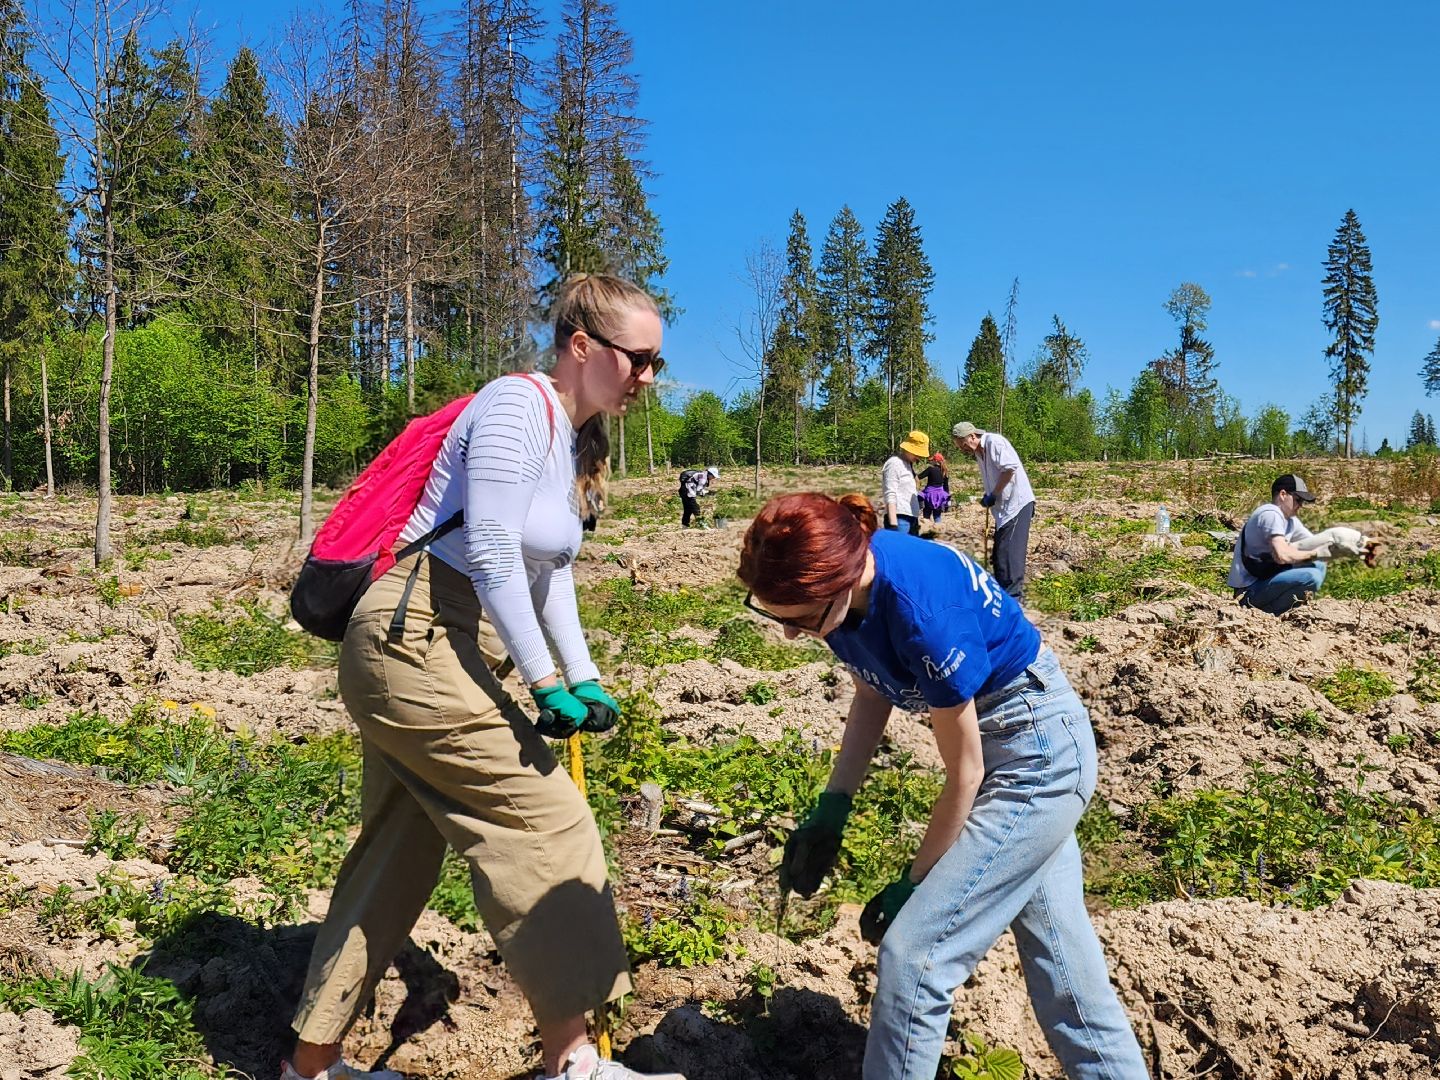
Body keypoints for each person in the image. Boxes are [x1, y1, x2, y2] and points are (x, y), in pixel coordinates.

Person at [282, 275, 685, 1080]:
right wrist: (544, 685)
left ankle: (310, 1066)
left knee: (398, 852)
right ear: (582, 347)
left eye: (657, 362)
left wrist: (585, 674)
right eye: (638, 359)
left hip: (444, 637)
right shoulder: (513, 405)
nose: (648, 377)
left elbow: (548, 574)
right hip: (414, 633)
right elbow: (493, 549)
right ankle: (573, 1059)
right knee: (548, 820)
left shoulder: (568, 438)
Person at [738, 493, 1147, 1080]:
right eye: (779, 617)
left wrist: (913, 886)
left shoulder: (921, 611)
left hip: (1037, 756)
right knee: (1066, 974)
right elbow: (872, 689)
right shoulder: (845, 595)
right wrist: (833, 808)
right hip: (1001, 751)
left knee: (916, 961)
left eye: (801, 620)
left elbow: (967, 776)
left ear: (841, 580)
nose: (791, 635)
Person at [951, 421, 1035, 599]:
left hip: (1017, 505)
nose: (963, 449)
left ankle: (1013, 601)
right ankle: (1001, 596)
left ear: (972, 436)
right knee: (1000, 556)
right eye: (960, 447)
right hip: (1003, 509)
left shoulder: (995, 442)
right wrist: (989, 493)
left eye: (964, 445)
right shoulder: (979, 453)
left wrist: (994, 494)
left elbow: (1010, 468)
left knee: (1010, 555)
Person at [1228, 473, 1329, 615]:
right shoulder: (1270, 514)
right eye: (1298, 499)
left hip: (1265, 578)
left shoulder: (1289, 520)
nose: (1300, 505)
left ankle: (1283, 607)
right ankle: (1265, 613)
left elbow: (1314, 543)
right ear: (1283, 494)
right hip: (1248, 589)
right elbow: (1282, 555)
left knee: (1319, 565)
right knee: (1311, 576)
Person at [882, 430, 929, 535]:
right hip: (900, 518)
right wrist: (894, 525)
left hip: (911, 517)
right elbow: (890, 493)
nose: (919, 457)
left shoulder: (908, 465)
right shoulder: (894, 464)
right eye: (917, 453)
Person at [917, 452, 951, 525]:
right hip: (939, 495)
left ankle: (926, 529)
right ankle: (938, 531)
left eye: (932, 460)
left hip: (929, 494)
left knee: (926, 512)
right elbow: (946, 486)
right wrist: (947, 500)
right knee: (937, 514)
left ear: (935, 461)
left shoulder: (930, 469)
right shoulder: (945, 471)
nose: (930, 461)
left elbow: (919, 477)